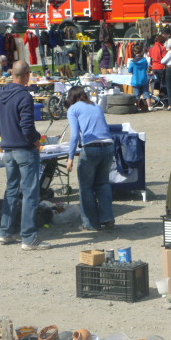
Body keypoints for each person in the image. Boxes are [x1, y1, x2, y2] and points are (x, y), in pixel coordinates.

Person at [0, 60, 52, 250]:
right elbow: (27, 126)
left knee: (11, 190)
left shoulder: (0, 93)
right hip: (24, 150)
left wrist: (5, 135)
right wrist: (36, 140)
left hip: (8, 149)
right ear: (26, 74)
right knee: (30, 194)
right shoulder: (24, 96)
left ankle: (5, 232)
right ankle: (28, 237)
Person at [66, 85, 115, 231]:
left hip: (91, 148)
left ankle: (90, 223)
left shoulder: (73, 109)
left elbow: (75, 135)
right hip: (108, 145)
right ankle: (108, 218)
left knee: (86, 187)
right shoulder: (96, 106)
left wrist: (70, 157)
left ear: (71, 98)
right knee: (103, 184)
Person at [128, 44, 154, 111]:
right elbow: (147, 69)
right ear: (141, 52)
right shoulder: (144, 60)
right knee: (146, 93)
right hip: (144, 79)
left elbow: (129, 70)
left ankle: (137, 107)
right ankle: (150, 106)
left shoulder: (132, 62)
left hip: (136, 80)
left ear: (134, 52)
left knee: (137, 95)